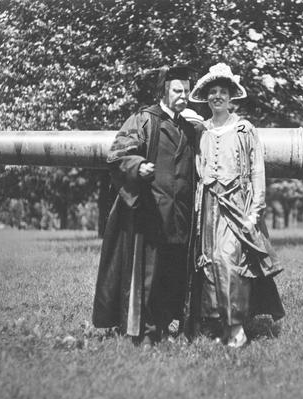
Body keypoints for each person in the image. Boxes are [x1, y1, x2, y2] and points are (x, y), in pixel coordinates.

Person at [92, 65, 201, 345]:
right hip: (151, 214)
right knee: (150, 276)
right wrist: (138, 166)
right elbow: (118, 154)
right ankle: (148, 332)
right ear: (164, 91)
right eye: (178, 90)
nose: (183, 96)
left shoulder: (189, 129)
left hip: (180, 216)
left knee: (173, 274)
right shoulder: (143, 120)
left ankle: (166, 327)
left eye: (187, 91)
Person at [184, 63, 285, 348]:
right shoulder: (200, 130)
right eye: (212, 92)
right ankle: (219, 325)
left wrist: (256, 210)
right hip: (208, 207)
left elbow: (257, 171)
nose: (217, 97)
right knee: (210, 264)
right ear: (207, 97)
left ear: (231, 98)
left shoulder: (244, 129)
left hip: (237, 208)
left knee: (232, 263)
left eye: (222, 92)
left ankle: (237, 327)